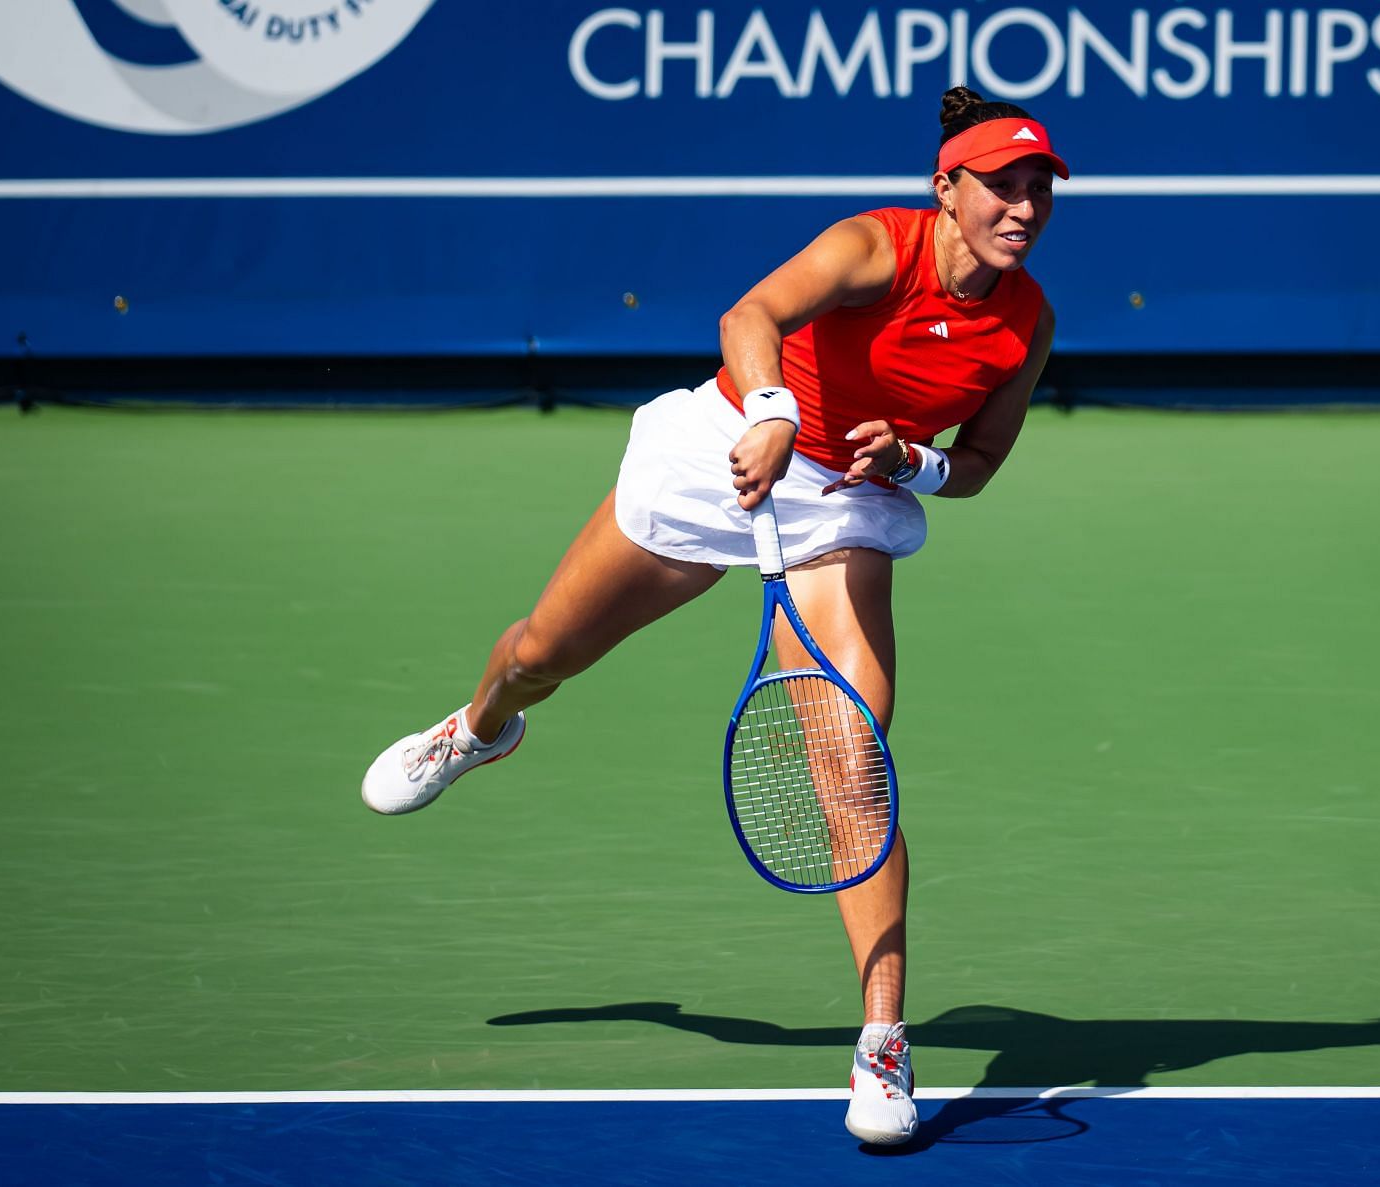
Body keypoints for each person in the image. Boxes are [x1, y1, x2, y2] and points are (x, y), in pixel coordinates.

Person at [359, 85, 1066, 1146]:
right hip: (729, 448)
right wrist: (775, 413)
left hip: (840, 504)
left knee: (851, 762)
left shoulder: (1028, 322)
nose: (1022, 207)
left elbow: (979, 463)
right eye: (1001, 186)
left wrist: (910, 459)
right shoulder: (875, 245)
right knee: (544, 648)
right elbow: (751, 317)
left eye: (1038, 189)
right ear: (946, 187)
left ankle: (882, 1039)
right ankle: (478, 725)